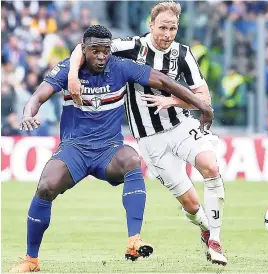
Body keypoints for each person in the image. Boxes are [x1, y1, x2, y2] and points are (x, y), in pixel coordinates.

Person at [9, 24, 213, 273]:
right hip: (75, 149)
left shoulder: (121, 66)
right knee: (46, 186)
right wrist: (28, 113)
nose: (102, 56)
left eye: (106, 51)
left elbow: (164, 81)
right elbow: (38, 96)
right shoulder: (66, 69)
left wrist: (202, 106)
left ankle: (134, 241)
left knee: (132, 159)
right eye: (95, 51)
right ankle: (31, 259)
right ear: (83, 50)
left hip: (109, 150)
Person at [68, 1, 227, 266]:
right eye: (163, 27)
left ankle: (216, 240)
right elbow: (82, 47)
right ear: (150, 25)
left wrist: (173, 101)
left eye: (173, 28)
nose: (167, 34)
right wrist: (73, 74)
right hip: (151, 141)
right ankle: (204, 228)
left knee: (210, 166)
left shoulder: (183, 54)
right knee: (190, 204)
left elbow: (204, 98)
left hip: (181, 127)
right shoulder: (132, 47)